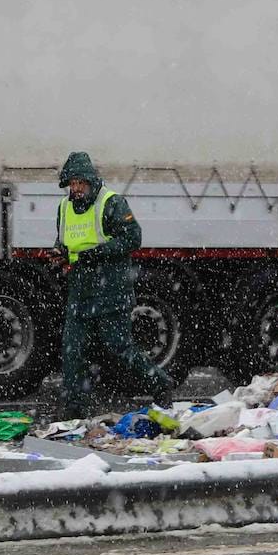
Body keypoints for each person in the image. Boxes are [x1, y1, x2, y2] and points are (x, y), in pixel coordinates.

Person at [51, 151, 175, 418]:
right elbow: (64, 241)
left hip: (111, 289)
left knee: (119, 348)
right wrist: (60, 254)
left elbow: (133, 237)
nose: (75, 189)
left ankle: (161, 383)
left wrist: (98, 253)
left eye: (80, 183)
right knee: (72, 351)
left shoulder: (111, 203)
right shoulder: (63, 207)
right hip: (80, 288)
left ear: (90, 181)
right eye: (71, 184)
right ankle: (74, 410)